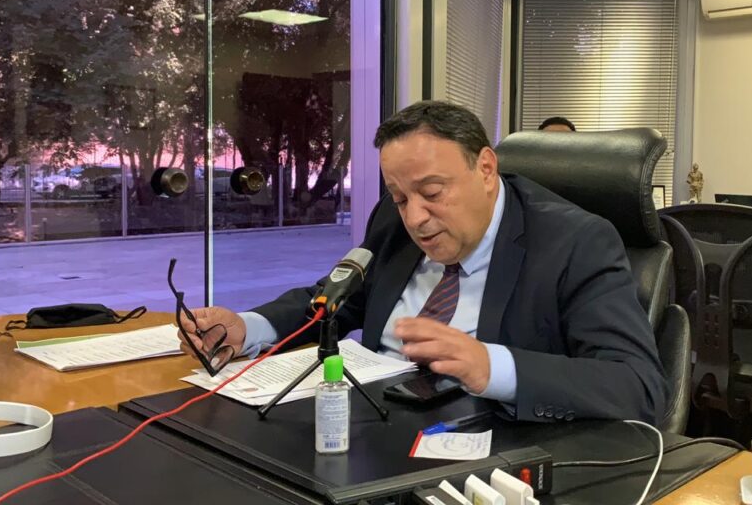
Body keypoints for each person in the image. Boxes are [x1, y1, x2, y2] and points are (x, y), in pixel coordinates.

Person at [179, 101, 666, 424]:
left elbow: (638, 387)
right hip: (370, 424)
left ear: (486, 169)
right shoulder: (393, 219)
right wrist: (247, 327)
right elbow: (334, 299)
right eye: (399, 197)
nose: (414, 218)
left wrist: (490, 365)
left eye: (432, 193)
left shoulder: (576, 242)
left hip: (483, 447)